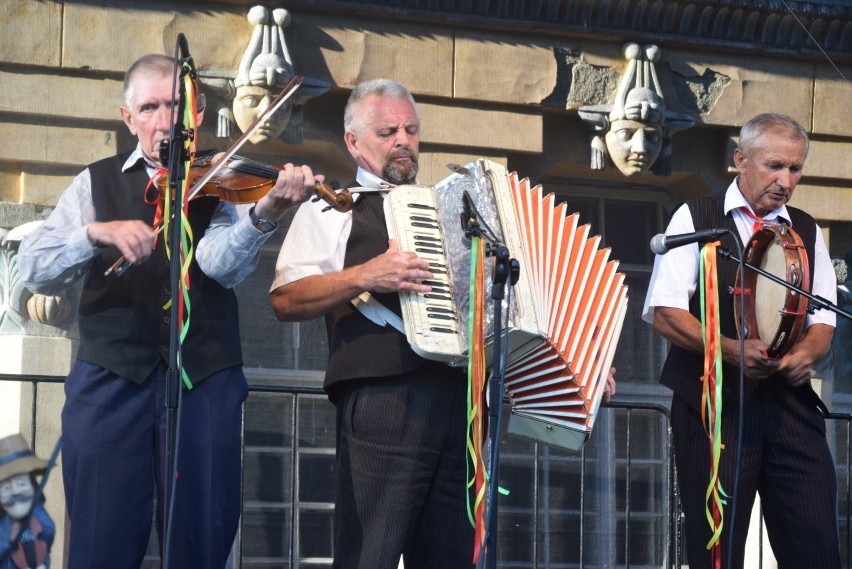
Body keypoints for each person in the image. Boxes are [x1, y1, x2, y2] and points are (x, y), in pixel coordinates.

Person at [269, 78, 616, 569]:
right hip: (385, 400)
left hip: (466, 406)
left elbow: (519, 308)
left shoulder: (458, 211)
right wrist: (367, 273)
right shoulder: (331, 205)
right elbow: (285, 299)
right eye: (387, 131)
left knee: (456, 556)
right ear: (353, 141)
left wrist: (583, 362)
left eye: (410, 130)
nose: (403, 141)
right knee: (372, 553)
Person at [16, 53, 321, 569]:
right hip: (111, 380)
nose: (164, 120)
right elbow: (33, 267)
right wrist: (96, 233)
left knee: (201, 538)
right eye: (151, 107)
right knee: (100, 538)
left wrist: (266, 213)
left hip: (203, 378)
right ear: (128, 117)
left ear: (196, 112)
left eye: (175, 105)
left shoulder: (224, 182)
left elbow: (218, 265)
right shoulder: (97, 183)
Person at [643, 113, 839, 568]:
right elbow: (663, 312)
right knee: (717, 551)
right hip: (714, 409)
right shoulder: (695, 217)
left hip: (789, 407)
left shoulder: (806, 230)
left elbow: (823, 320)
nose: (785, 180)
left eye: (795, 169)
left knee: (816, 545)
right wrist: (730, 350)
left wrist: (804, 356)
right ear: (740, 160)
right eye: (774, 166)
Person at [0, 434, 55, 569]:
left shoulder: (38, 514)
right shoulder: (3, 527)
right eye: (6, 488)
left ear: (33, 486)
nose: (15, 491)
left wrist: (42, 564)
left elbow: (48, 533)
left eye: (21, 484)